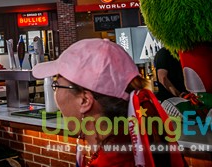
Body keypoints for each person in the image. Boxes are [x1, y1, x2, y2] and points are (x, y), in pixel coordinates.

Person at [32, 39, 185, 167]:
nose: (55, 94)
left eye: (56, 85)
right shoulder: (134, 146)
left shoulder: (112, 161)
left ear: (85, 100)